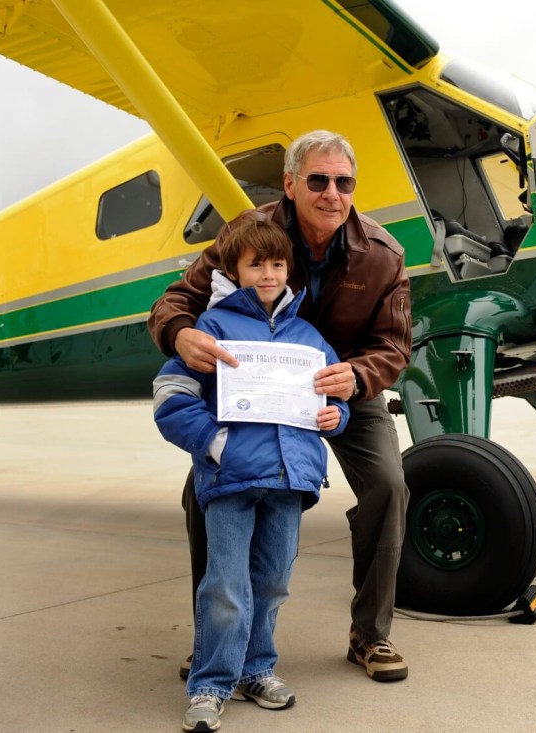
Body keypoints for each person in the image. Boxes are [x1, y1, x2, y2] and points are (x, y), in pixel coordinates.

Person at [148, 130, 413, 682]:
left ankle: (370, 634)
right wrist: (178, 334)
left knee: (389, 485)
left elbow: (394, 346)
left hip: (337, 386)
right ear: (290, 184)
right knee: (204, 490)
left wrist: (357, 375)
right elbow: (177, 300)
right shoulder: (249, 234)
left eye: (344, 182)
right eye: (318, 180)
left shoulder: (384, 257)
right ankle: (214, 643)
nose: (332, 194)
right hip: (254, 394)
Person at [153, 212, 349, 732]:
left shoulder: (309, 337)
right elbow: (171, 396)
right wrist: (217, 445)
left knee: (273, 582)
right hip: (232, 481)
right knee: (225, 584)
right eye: (255, 264)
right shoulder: (213, 328)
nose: (268, 274)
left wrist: (336, 415)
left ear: (290, 269)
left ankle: (257, 669)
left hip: (290, 483)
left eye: (278, 263)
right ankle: (211, 683)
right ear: (236, 271)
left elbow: (330, 398)